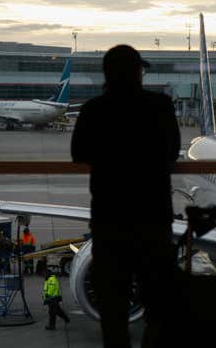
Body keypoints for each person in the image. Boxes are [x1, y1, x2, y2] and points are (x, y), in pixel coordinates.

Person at [71, 44, 180, 348]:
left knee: (113, 310)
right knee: (159, 306)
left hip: (110, 223)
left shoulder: (93, 109)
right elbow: (172, 152)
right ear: (137, 72)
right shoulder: (160, 106)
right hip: (153, 221)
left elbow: (78, 154)